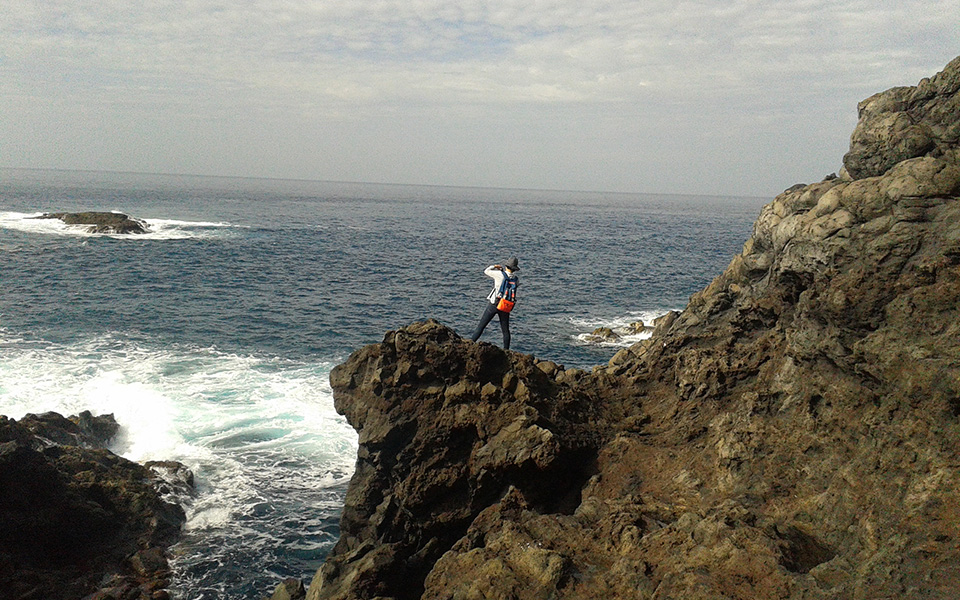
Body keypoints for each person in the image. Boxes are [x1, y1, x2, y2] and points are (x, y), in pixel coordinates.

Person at [470, 257, 520, 349]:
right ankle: (506, 350)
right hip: (505, 305)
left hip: (494, 304)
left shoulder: (499, 274)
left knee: (481, 326)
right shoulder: (516, 279)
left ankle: (470, 344)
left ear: (506, 266)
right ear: (515, 269)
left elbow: (486, 271)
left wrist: (495, 266)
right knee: (505, 331)